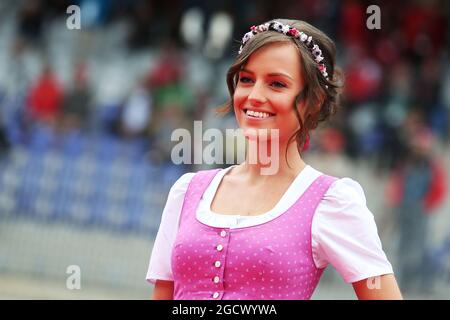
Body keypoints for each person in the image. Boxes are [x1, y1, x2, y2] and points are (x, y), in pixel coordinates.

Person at [146, 19, 403, 300]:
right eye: (246, 79)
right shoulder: (187, 191)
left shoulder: (332, 202)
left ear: (313, 100)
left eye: (277, 84)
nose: (254, 96)